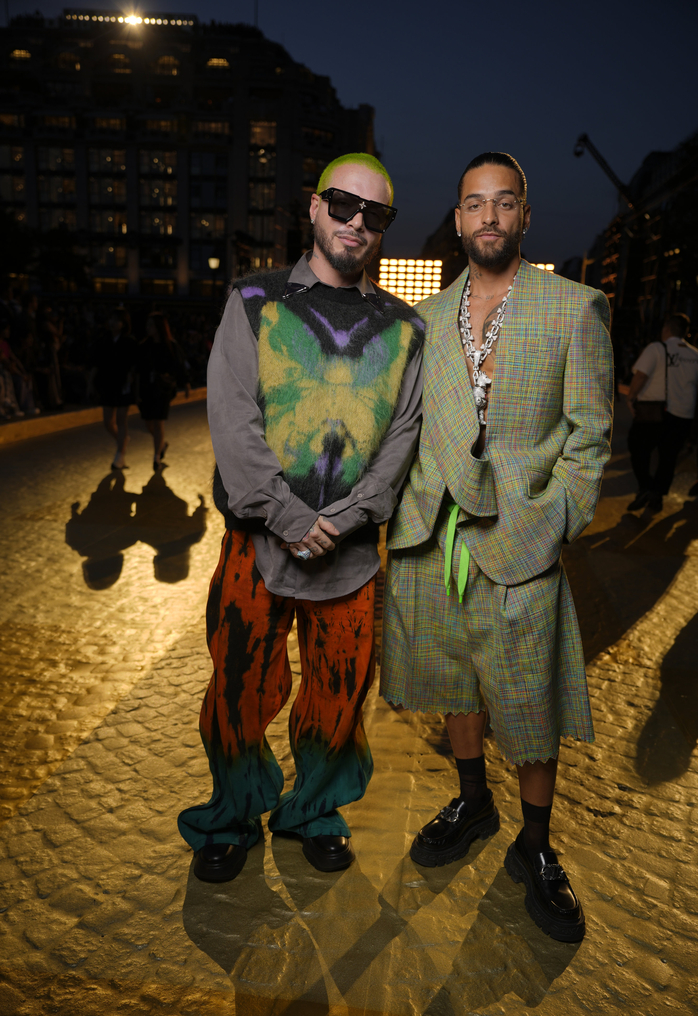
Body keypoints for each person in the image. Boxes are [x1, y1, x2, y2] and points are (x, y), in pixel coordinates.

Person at [380, 152, 613, 943]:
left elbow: (590, 438)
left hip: (521, 539)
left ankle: (537, 847)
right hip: (430, 536)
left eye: (503, 203)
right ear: (456, 219)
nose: (488, 217)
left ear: (524, 215)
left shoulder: (575, 309)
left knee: (528, 701)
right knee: (455, 684)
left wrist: (558, 519)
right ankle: (474, 800)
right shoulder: (425, 321)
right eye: (474, 204)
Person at [178, 152, 424, 883]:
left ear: (383, 229)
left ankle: (314, 811)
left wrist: (349, 517)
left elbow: (402, 438)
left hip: (351, 556)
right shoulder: (253, 300)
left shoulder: (406, 329)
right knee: (238, 687)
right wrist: (284, 515)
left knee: (339, 694)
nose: (356, 223)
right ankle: (230, 815)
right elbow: (232, 418)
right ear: (314, 208)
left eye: (374, 215)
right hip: (256, 547)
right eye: (343, 206)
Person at [626, 314, 698, 513]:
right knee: (668, 458)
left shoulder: (657, 348)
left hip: (655, 412)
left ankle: (646, 487)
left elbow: (641, 375)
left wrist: (631, 397)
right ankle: (656, 496)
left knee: (638, 447)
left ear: (667, 328)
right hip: (684, 415)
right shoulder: (695, 354)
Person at [137, 312, 188, 471]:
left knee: (158, 422)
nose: (148, 327)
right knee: (148, 422)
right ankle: (162, 444)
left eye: (151, 324)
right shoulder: (144, 346)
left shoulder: (171, 345)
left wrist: (185, 383)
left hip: (163, 389)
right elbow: (139, 370)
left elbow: (179, 366)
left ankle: (156, 457)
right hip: (147, 388)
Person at [93, 308, 137, 470]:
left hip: (123, 384)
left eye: (116, 320)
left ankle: (120, 454)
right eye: (111, 319)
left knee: (121, 419)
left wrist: (131, 379)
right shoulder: (104, 340)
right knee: (107, 421)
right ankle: (122, 440)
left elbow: (133, 364)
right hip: (107, 383)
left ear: (124, 323)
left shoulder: (129, 341)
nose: (112, 323)